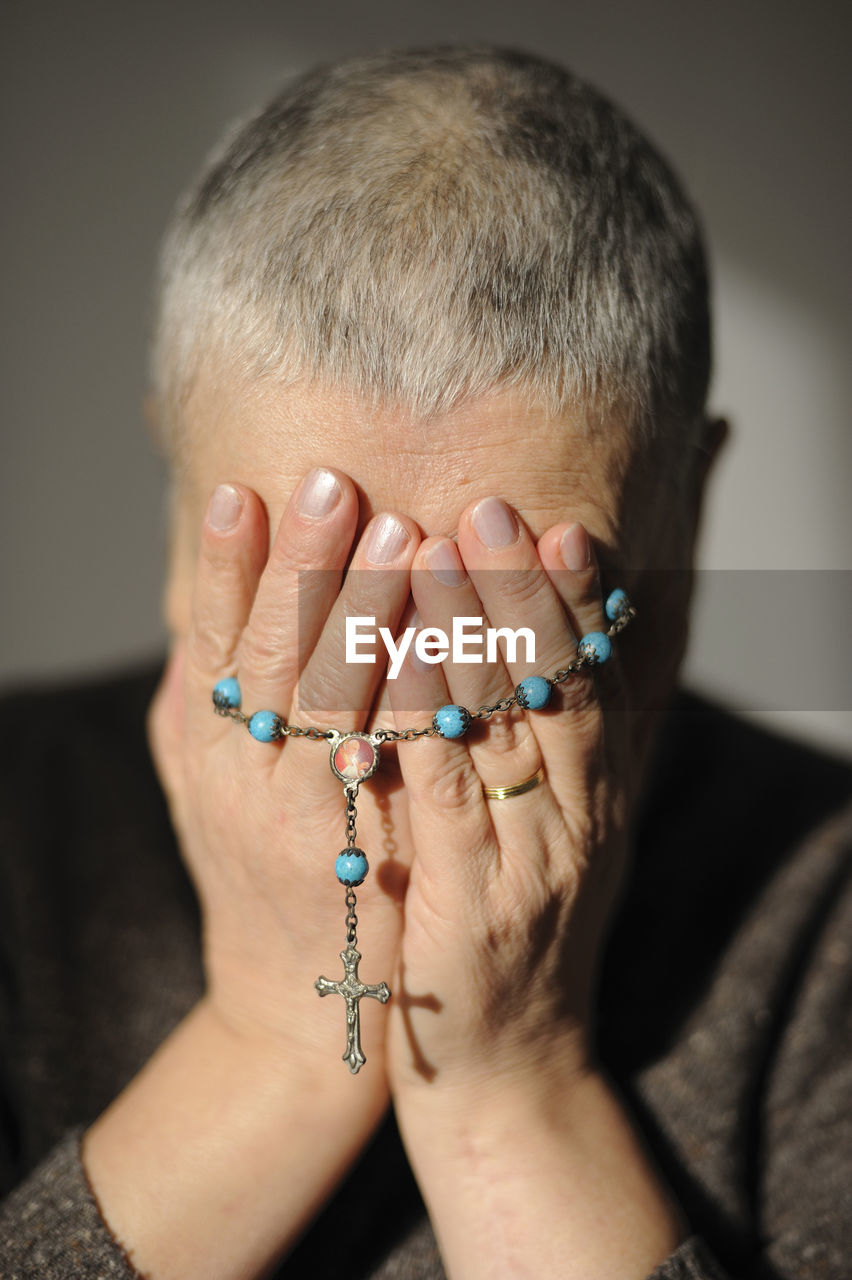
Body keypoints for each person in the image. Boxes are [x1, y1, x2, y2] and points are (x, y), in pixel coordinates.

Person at [1, 43, 850, 1280]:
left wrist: (516, 1089)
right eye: (329, 596)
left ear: (690, 516)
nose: (409, 708)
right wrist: (274, 1040)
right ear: (180, 515)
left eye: (531, 612)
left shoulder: (827, 907)